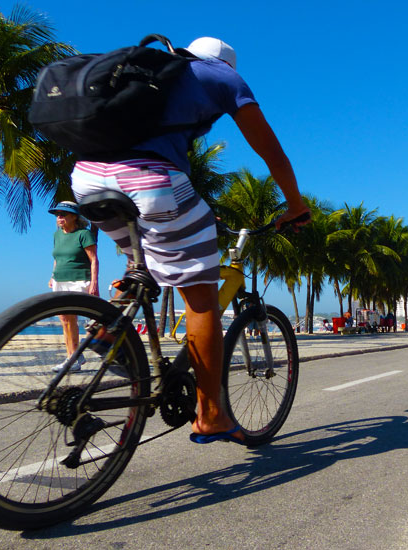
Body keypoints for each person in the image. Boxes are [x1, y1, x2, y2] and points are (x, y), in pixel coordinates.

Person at [70, 37, 310, 445]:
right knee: (200, 299)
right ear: (227, 64)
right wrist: (295, 205)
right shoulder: (222, 76)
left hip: (87, 178)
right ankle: (211, 415)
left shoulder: (157, 72)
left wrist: (185, 204)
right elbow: (270, 150)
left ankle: (108, 329)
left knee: (142, 262)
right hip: (151, 182)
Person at [48, 201, 99, 372]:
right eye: (57, 215)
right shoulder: (57, 235)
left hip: (78, 280)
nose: (59, 217)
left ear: (74, 216)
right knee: (64, 319)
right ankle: (73, 355)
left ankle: (73, 358)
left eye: (63, 214)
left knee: (72, 319)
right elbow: (57, 258)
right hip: (59, 280)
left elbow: (94, 260)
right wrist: (52, 275)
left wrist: (94, 282)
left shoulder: (84, 234)